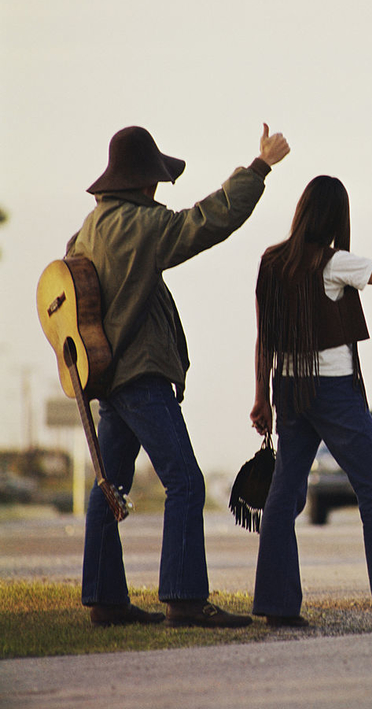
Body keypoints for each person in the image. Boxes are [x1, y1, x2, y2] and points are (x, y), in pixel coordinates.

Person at [67, 123, 290, 628]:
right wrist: (258, 168)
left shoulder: (88, 228)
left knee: (111, 485)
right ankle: (186, 600)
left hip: (106, 377)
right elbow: (209, 220)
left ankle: (104, 600)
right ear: (144, 182)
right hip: (139, 377)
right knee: (186, 481)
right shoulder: (142, 227)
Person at [250, 175, 372, 631]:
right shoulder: (334, 262)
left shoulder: (272, 262)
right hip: (333, 392)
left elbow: (265, 337)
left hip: (288, 389)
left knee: (283, 497)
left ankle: (277, 604)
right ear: (335, 217)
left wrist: (262, 396)